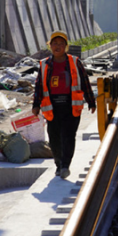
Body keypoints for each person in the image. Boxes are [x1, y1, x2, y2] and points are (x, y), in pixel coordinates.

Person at [32, 30, 96, 179]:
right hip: (52, 107)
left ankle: (65, 165)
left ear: (66, 46)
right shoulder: (44, 64)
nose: (58, 46)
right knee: (54, 137)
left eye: (61, 44)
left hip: (71, 105)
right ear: (50, 46)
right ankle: (58, 164)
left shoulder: (74, 62)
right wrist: (36, 105)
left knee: (68, 136)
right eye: (55, 43)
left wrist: (91, 101)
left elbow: (85, 81)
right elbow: (39, 86)